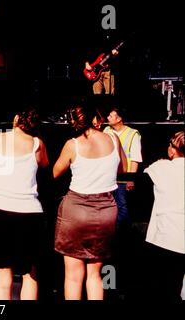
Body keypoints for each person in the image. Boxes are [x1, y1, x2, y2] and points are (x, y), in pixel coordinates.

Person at [53, 105, 127, 300]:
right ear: (96, 119)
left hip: (76, 210)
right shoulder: (113, 139)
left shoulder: (73, 144)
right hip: (105, 211)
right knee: (95, 275)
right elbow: (122, 171)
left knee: (73, 277)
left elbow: (55, 172)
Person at [0, 108, 49, 300]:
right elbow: (45, 164)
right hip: (29, 213)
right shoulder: (37, 144)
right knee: (30, 276)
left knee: (2, 281)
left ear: (15, 119)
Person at [143, 131, 184, 300]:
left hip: (165, 237)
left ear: (173, 150)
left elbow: (143, 177)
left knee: (163, 288)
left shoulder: (161, 167)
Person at [103, 107, 142, 228]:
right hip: (108, 176)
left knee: (122, 206)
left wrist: (131, 178)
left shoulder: (132, 134)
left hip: (123, 178)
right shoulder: (106, 130)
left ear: (119, 119)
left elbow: (135, 157)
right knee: (107, 206)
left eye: (111, 115)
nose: (107, 118)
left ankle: (121, 233)